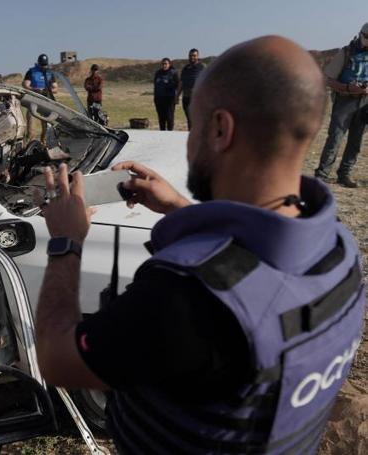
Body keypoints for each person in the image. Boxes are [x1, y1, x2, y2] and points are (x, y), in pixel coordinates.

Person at [35, 36, 365, 454]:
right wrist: (179, 208)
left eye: (194, 124)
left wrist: (66, 240)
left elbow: (56, 357)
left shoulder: (187, 294)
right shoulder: (338, 249)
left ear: (221, 128)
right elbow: (260, 272)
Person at [314, 23, 368, 188]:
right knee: (335, 138)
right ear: (362, 35)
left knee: (356, 141)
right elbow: (328, 79)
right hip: (344, 101)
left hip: (364, 103)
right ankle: (321, 175)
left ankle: (344, 174)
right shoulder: (345, 53)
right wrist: (347, 88)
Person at [23, 54, 58, 142]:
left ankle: (44, 145)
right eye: (42, 65)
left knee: (46, 128)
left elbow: (55, 88)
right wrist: (35, 89)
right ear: (38, 63)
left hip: (46, 103)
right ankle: (30, 145)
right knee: (31, 128)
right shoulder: (31, 71)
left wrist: (47, 90)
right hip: (33, 102)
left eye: (45, 65)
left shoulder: (50, 73)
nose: (43, 67)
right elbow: (25, 85)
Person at [177, 48, 206, 130]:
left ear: (197, 56)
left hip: (197, 98)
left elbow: (207, 80)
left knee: (195, 119)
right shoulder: (185, 68)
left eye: (194, 55)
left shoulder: (202, 67)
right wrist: (177, 96)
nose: (192, 57)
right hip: (186, 97)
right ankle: (191, 135)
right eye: (190, 56)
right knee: (189, 119)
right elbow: (181, 83)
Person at [153, 58, 179, 130]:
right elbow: (155, 85)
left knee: (169, 117)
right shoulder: (158, 73)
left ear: (169, 64)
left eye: (166, 64)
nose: (164, 65)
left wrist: (176, 97)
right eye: (163, 64)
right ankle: (162, 133)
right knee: (161, 118)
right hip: (159, 99)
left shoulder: (173, 73)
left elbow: (178, 85)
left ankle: (170, 134)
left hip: (169, 99)